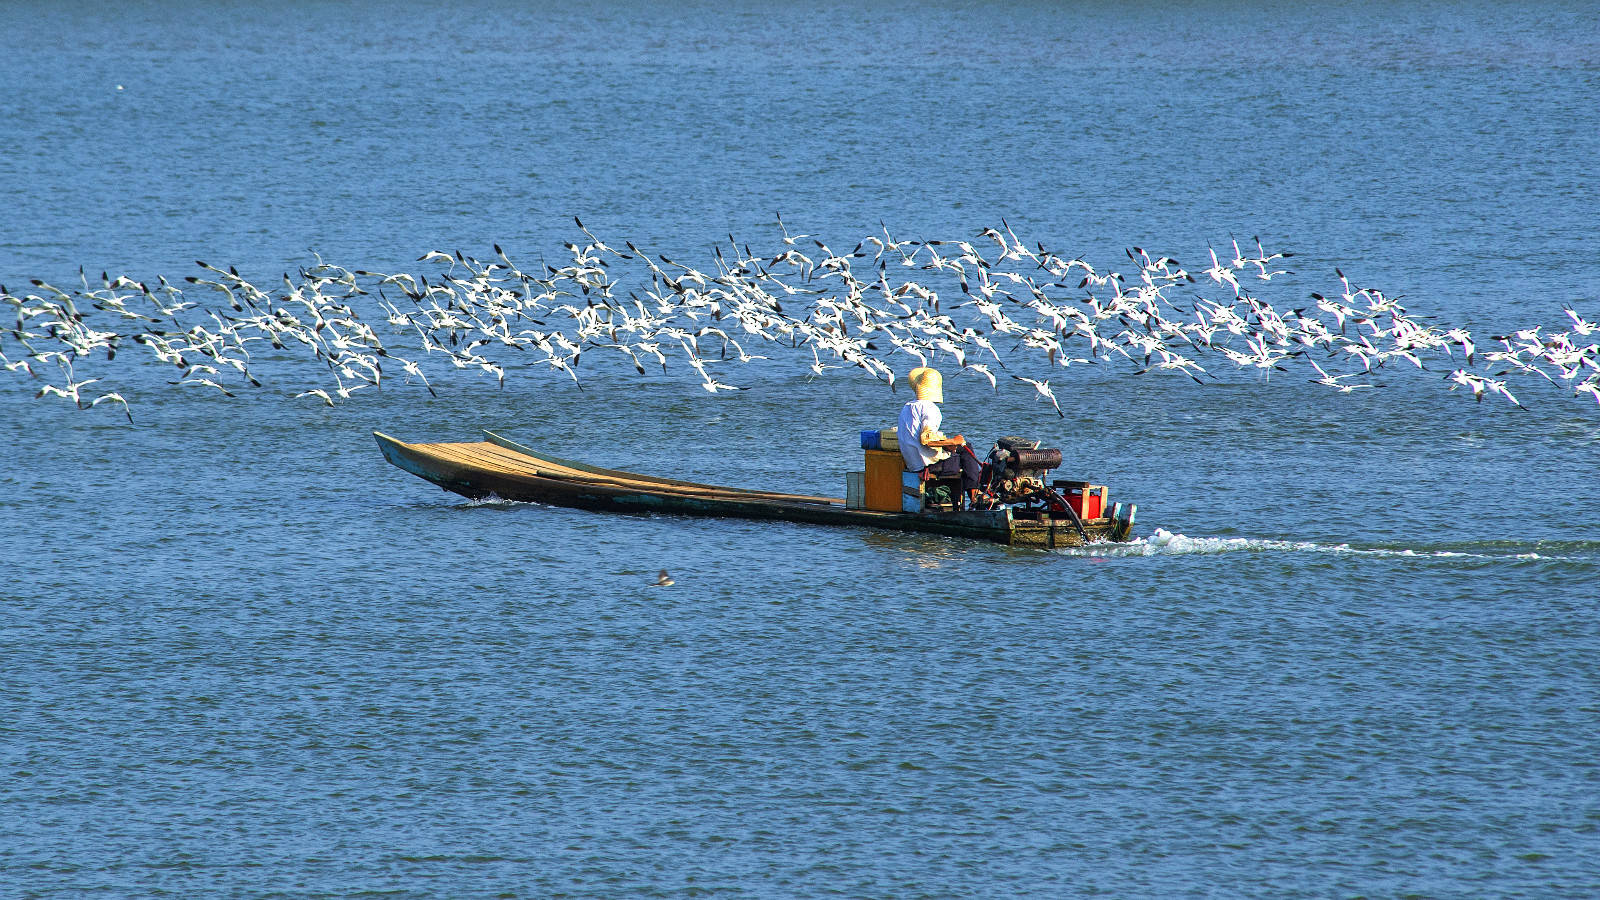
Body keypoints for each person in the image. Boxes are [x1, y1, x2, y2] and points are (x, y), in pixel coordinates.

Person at [898, 366, 982, 503]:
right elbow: (926, 439)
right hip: (926, 465)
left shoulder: (907, 407)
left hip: (912, 462)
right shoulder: (931, 409)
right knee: (966, 450)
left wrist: (947, 443)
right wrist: (954, 441)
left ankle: (973, 494)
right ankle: (974, 497)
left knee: (959, 449)